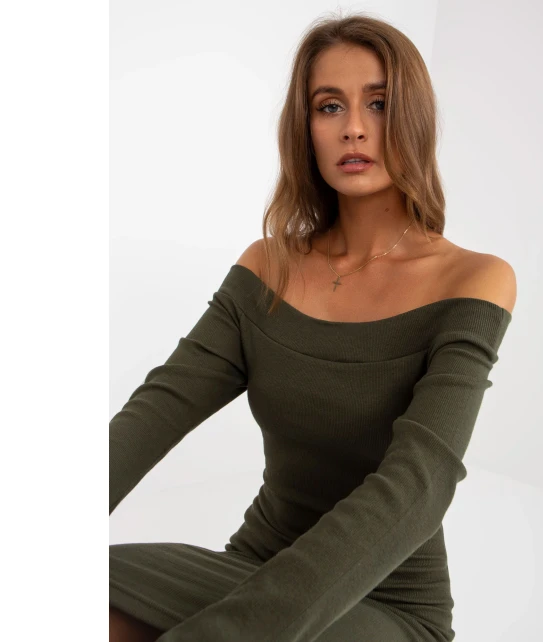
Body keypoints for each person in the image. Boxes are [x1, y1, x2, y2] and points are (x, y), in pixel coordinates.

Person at [109, 11, 516, 642]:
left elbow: (419, 484)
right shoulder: (267, 267)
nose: (353, 127)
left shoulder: (473, 280)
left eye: (378, 103)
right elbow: (154, 412)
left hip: (388, 608)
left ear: (413, 117)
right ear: (306, 129)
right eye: (329, 107)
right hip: (251, 571)